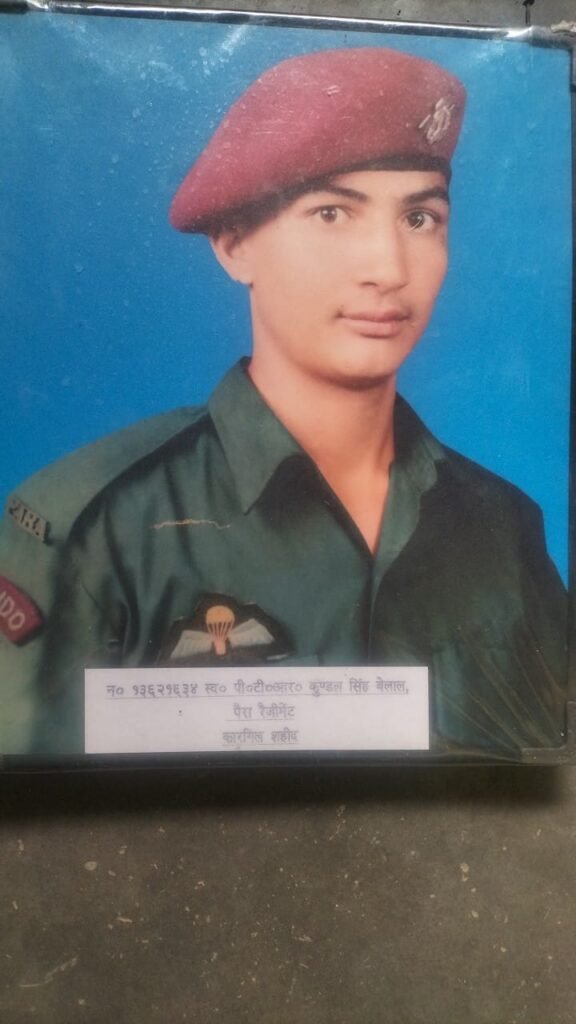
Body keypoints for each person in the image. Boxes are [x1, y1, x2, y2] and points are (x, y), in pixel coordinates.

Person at [0, 47, 568, 757]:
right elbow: (33, 813)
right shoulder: (95, 529)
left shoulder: (503, 524)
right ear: (234, 243)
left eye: (420, 218)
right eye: (332, 213)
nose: (388, 268)